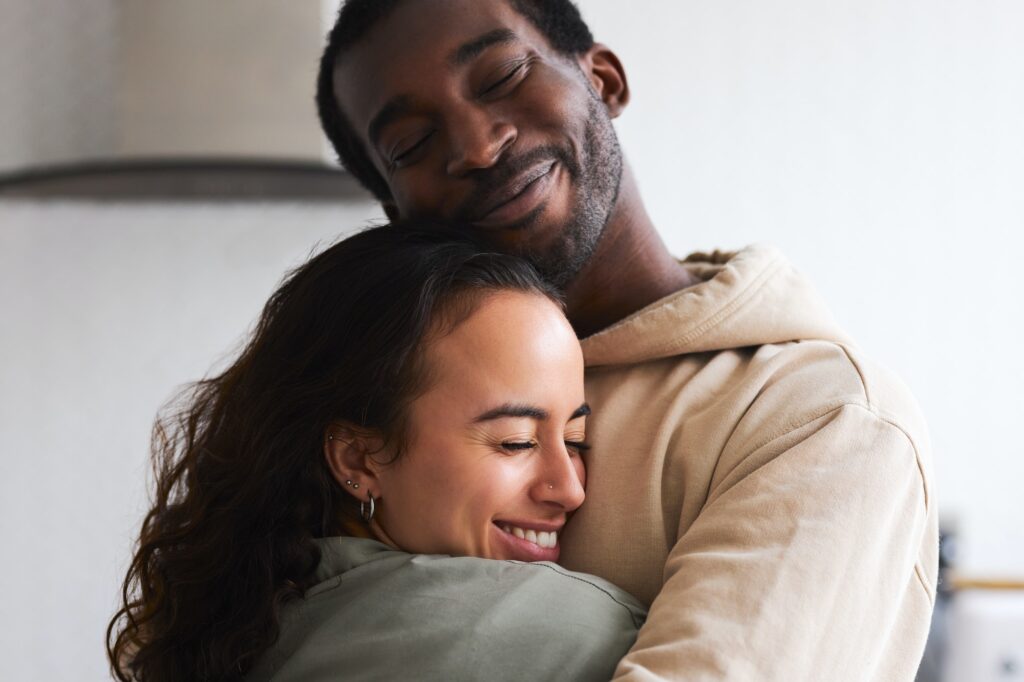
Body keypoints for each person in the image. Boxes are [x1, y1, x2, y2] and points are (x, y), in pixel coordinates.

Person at [315, 0, 939, 679]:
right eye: (410, 144)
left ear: (604, 80)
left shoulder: (818, 414)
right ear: (394, 208)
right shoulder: (369, 397)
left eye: (502, 76)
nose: (476, 146)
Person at [107, 225, 646, 682]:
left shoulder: (235, 623)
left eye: (574, 441)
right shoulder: (569, 630)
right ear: (359, 460)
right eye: (517, 442)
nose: (570, 487)